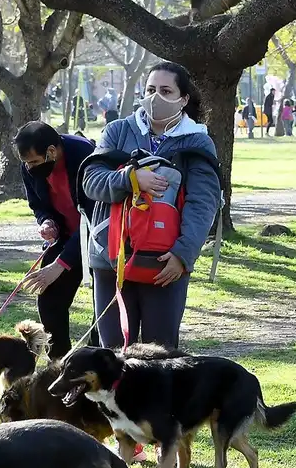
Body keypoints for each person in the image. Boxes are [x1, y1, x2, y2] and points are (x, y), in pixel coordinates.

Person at [82, 62, 221, 350]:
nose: (155, 97)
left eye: (165, 90)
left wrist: (183, 255)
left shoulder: (197, 141)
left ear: (183, 100)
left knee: (161, 359)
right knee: (113, 357)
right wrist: (131, 179)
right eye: (150, 89)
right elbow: (91, 181)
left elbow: (203, 202)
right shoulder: (118, 131)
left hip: (164, 264)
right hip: (111, 261)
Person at [17, 121, 97, 358]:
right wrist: (46, 221)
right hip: (64, 235)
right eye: (26, 163)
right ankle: (58, 363)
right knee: (49, 299)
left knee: (102, 305)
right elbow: (38, 204)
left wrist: (60, 265)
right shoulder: (30, 165)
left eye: (33, 162)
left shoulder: (85, 156)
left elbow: (93, 217)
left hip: (98, 238)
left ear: (51, 151)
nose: (29, 168)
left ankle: (96, 359)